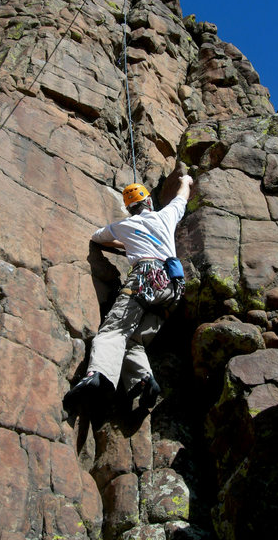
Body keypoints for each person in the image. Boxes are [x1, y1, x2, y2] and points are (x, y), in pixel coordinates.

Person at [63, 174, 193, 414]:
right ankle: (143, 381)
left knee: (115, 330)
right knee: (135, 340)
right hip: (172, 286)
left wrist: (127, 243)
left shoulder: (124, 226)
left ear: (129, 208)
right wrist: (186, 180)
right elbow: (181, 198)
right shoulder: (166, 215)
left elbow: (97, 237)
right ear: (149, 203)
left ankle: (99, 375)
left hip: (146, 277)